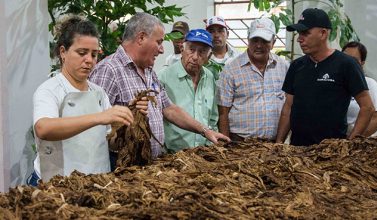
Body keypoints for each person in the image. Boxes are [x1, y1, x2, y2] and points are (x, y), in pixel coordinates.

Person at [89, 12, 230, 168]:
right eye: (159, 42)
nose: (162, 50)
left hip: (150, 165)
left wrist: (205, 131)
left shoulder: (149, 71)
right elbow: (93, 126)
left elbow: (168, 108)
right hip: (123, 166)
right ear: (141, 38)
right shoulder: (109, 70)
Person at [28, 15, 134, 186]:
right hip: (57, 184)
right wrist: (99, 117)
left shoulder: (99, 93)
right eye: (82, 53)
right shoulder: (50, 90)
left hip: (97, 183)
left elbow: (109, 141)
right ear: (63, 52)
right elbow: (43, 128)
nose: (89, 60)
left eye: (94, 54)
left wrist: (123, 129)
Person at [275, 8, 375, 146]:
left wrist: (349, 144)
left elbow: (367, 107)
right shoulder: (297, 66)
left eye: (305, 33)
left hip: (331, 153)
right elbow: (288, 107)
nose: (299, 39)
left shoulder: (346, 64)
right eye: (299, 33)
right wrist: (279, 142)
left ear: (323, 33)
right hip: (297, 150)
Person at [217, 17, 290, 141]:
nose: (259, 45)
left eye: (264, 40)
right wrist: (225, 145)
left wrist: (279, 143)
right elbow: (223, 112)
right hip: (240, 143)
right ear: (248, 40)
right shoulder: (231, 69)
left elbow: (288, 106)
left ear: (273, 42)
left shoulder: (284, 67)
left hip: (274, 144)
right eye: (254, 40)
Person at [158, 29, 217, 152]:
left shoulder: (209, 77)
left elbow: (213, 117)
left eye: (202, 52)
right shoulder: (164, 77)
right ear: (182, 49)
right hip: (173, 155)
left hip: (204, 153)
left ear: (209, 56)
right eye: (191, 49)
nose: (195, 57)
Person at [342, 41, 377, 136]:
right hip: (331, 142)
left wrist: (355, 139)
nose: (348, 63)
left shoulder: (369, 83)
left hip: (356, 143)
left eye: (353, 60)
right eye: (344, 58)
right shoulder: (334, 83)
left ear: (362, 63)